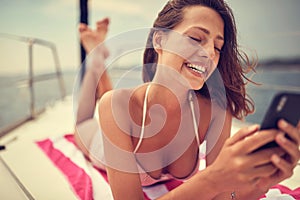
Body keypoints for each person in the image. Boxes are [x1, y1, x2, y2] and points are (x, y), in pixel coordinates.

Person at [74, 0, 300, 199]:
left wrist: (263, 182)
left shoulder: (215, 112)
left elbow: (223, 197)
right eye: (195, 38)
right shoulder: (116, 105)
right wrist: (212, 178)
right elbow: (213, 182)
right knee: (84, 121)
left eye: (217, 47)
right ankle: (95, 55)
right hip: (100, 145)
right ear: (160, 41)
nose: (209, 53)